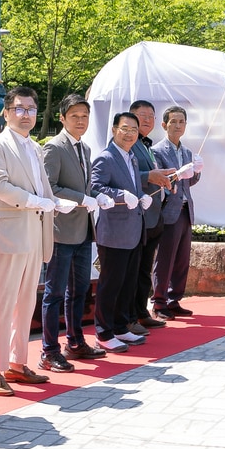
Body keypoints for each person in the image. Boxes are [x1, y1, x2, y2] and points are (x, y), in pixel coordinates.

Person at [0, 87, 71, 395]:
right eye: (19, 109)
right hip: (8, 236)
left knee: (24, 304)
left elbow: (42, 190)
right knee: (0, 306)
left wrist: (54, 203)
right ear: (6, 113)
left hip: (34, 235)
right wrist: (35, 201)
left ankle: (17, 363)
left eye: (31, 109)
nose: (26, 114)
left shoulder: (34, 147)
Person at [38, 94, 105, 372]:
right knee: (54, 292)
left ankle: (75, 341)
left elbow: (86, 188)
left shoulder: (85, 149)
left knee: (79, 291)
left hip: (82, 230)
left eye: (85, 116)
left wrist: (96, 197)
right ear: (62, 118)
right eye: (75, 115)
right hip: (60, 231)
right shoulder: (54, 147)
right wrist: (81, 198)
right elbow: (49, 188)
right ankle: (48, 350)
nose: (81, 120)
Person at [89, 111, 153, 352]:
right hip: (114, 232)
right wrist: (119, 196)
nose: (129, 134)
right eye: (125, 129)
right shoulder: (106, 157)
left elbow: (134, 187)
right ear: (114, 130)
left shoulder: (132, 157)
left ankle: (120, 326)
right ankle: (103, 333)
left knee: (127, 282)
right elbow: (95, 187)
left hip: (134, 229)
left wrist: (141, 196)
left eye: (134, 130)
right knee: (111, 283)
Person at [152, 105, 203, 319]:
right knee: (164, 258)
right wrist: (178, 175)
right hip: (168, 211)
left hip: (185, 209)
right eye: (173, 121)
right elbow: (160, 182)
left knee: (182, 258)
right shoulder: (157, 151)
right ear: (164, 125)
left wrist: (196, 172)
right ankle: (158, 302)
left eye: (181, 121)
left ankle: (174, 299)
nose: (178, 125)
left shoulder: (187, 152)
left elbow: (188, 181)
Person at [127, 99, 174, 333]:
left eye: (151, 116)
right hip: (137, 217)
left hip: (155, 215)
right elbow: (129, 173)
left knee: (145, 268)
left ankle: (141, 312)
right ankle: (130, 316)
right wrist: (150, 176)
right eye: (142, 115)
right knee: (134, 269)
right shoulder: (129, 143)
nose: (147, 120)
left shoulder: (147, 145)